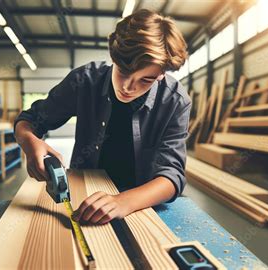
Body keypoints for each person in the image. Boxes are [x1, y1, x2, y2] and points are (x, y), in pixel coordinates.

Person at [14, 9, 190, 225]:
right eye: (123, 72)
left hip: (141, 201)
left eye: (145, 80)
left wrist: (124, 202)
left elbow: (172, 176)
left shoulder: (175, 101)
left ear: (161, 74)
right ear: (113, 57)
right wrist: (29, 141)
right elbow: (30, 120)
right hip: (85, 191)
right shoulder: (84, 81)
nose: (128, 87)